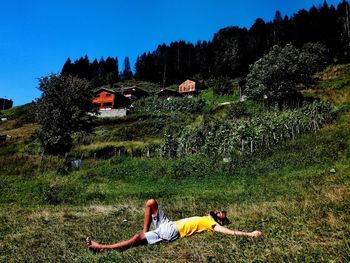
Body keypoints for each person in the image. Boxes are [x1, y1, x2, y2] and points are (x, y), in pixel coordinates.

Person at [86, 199, 263, 251]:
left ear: (219, 220)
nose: (218, 211)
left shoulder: (210, 223)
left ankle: (102, 247)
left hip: (172, 231)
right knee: (150, 202)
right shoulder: (206, 217)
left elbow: (227, 231)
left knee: (136, 239)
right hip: (167, 224)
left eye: (220, 214)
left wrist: (249, 234)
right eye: (219, 210)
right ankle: (145, 234)